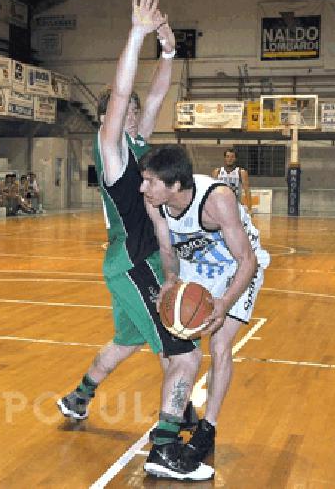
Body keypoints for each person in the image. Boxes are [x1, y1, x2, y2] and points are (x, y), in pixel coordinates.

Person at [54, 0, 213, 481]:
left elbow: (156, 95)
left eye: (132, 110)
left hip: (128, 262)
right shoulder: (111, 149)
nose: (130, 112)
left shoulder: (139, 142)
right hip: (133, 259)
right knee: (184, 354)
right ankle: (164, 448)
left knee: (126, 341)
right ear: (108, 117)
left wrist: (168, 52)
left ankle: (77, 397)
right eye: (121, 109)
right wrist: (137, 34)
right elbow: (122, 97)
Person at [141, 144, 270, 464]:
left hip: (237, 269)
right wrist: (170, 280)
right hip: (195, 269)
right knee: (177, 345)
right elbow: (167, 249)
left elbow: (247, 260)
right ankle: (182, 413)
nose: (143, 187)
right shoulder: (154, 202)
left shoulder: (217, 199)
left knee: (221, 342)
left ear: (175, 185)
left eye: (151, 181)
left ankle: (208, 428)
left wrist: (224, 303)